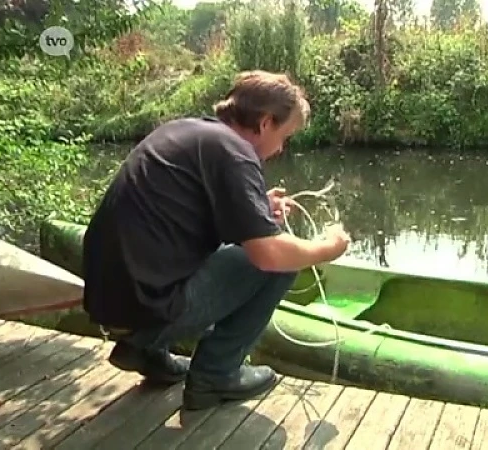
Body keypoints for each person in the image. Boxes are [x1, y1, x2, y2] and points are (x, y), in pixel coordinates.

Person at [81, 70, 351, 410]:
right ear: (266, 122)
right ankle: (215, 375)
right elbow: (268, 256)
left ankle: (144, 350)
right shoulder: (236, 152)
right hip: (145, 307)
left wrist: (258, 206)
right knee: (281, 262)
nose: (282, 148)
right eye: (286, 135)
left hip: (110, 304)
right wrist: (328, 248)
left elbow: (182, 214)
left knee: (239, 247)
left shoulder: (187, 131)